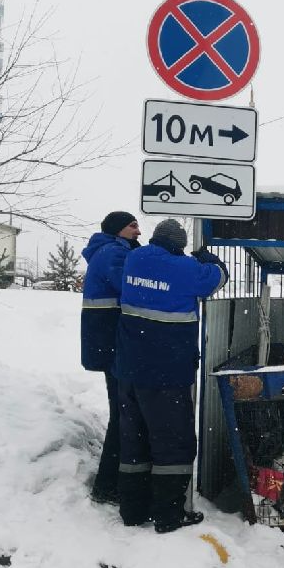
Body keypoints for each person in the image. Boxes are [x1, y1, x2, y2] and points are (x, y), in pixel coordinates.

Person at [115, 218, 228, 533]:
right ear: (179, 245)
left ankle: (133, 510)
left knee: (134, 441)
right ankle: (169, 515)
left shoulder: (134, 259)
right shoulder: (185, 268)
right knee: (172, 444)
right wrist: (208, 257)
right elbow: (218, 279)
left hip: (129, 370)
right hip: (166, 373)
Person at [80, 210, 141, 504]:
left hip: (112, 346)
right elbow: (131, 287)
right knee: (122, 416)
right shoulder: (112, 253)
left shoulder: (112, 250)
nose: (138, 231)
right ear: (118, 229)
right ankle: (108, 485)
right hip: (113, 346)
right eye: (132, 226)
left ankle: (113, 482)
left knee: (123, 414)